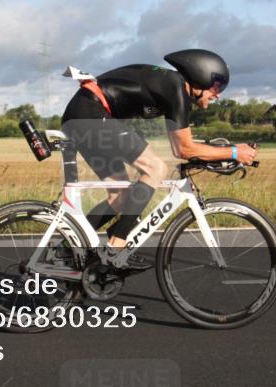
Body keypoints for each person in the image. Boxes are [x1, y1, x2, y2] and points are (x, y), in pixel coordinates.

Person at [60, 49, 259, 271]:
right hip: (91, 114)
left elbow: (184, 142)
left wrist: (214, 151)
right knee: (155, 168)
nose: (218, 94)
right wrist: (233, 152)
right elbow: (183, 149)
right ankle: (116, 248)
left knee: (120, 195)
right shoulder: (176, 89)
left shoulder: (171, 86)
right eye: (216, 86)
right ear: (200, 75)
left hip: (83, 113)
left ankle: (64, 250)